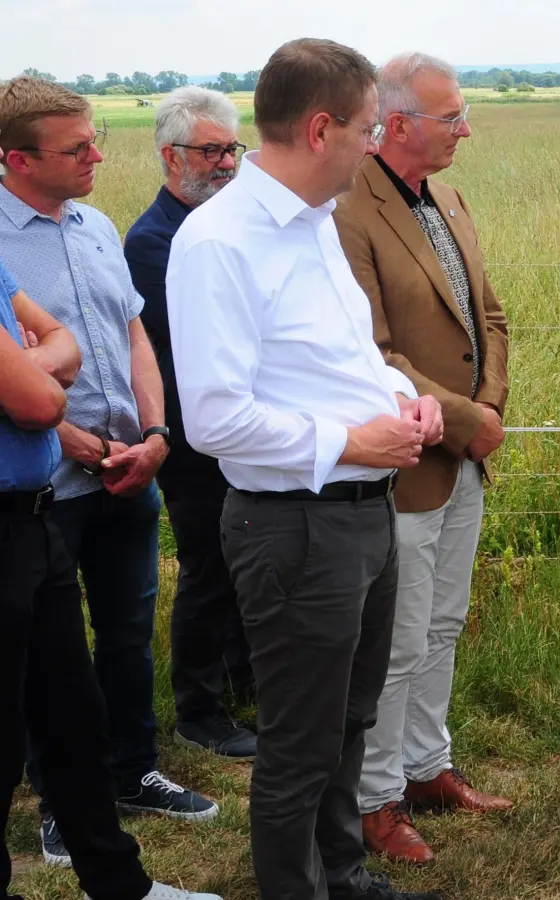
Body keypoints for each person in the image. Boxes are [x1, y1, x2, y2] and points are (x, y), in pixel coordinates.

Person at [166, 38, 445, 900]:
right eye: (368, 128)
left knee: (350, 717)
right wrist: (352, 443)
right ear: (321, 129)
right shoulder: (220, 242)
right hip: (296, 526)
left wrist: (406, 398)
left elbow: (343, 361)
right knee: (300, 739)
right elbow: (215, 418)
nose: (376, 144)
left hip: (363, 512)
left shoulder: (318, 222)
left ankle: (341, 871)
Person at [0, 75, 216, 868]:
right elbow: (15, 383)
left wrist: (155, 434)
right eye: (77, 147)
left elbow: (133, 337)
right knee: (43, 656)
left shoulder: (95, 225)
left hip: (131, 468)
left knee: (127, 635)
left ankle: (133, 771)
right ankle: (59, 803)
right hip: (47, 485)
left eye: (96, 138)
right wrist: (77, 442)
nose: (97, 155)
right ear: (18, 159)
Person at [334, 52, 513, 864]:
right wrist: (466, 420)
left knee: (442, 623)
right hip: (405, 462)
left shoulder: (446, 196)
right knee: (398, 640)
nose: (465, 130)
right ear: (398, 123)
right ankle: (375, 801)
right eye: (453, 118)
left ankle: (427, 767)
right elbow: (371, 353)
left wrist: (488, 412)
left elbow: (490, 317)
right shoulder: (349, 209)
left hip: (465, 454)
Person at [124, 85, 257, 761]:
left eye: (232, 148)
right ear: (171, 156)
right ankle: (198, 713)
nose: (227, 163)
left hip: (240, 428)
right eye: (211, 151)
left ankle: (241, 682)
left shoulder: (229, 226)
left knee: (243, 564)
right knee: (209, 567)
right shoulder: (153, 242)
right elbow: (198, 341)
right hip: (191, 436)